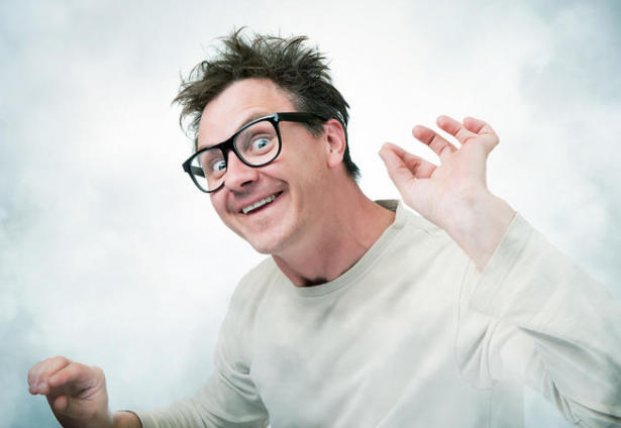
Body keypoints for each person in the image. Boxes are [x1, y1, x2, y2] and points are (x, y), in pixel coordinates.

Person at [28, 30, 621, 428]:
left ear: (331, 140)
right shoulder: (254, 300)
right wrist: (110, 425)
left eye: (258, 140)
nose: (236, 176)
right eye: (214, 163)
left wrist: (479, 218)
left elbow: (605, 402)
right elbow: (219, 415)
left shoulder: (465, 271)